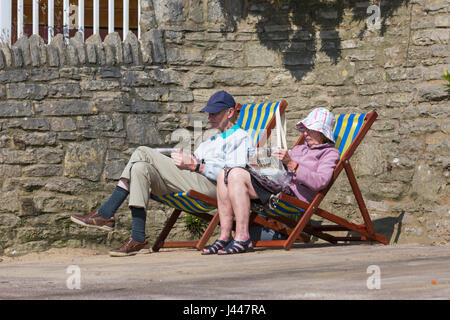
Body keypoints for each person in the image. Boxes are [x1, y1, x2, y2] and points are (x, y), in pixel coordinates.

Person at [71, 90, 253, 257]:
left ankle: (106, 213)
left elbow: (234, 174)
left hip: (212, 187)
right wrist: (186, 160)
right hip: (192, 178)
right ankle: (138, 238)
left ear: (230, 113)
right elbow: (195, 158)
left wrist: (197, 167)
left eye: (215, 113)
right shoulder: (211, 139)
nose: (209, 117)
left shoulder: (240, 137)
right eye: (209, 113)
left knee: (142, 151)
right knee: (140, 168)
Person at [203, 107, 340, 255]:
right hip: (277, 185)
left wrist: (293, 165)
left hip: (292, 196)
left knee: (235, 173)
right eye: (305, 129)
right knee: (224, 173)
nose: (305, 133)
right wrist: (266, 160)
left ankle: (242, 236)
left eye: (310, 130)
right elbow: (280, 168)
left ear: (323, 133)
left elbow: (320, 181)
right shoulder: (300, 149)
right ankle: (225, 235)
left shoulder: (330, 154)